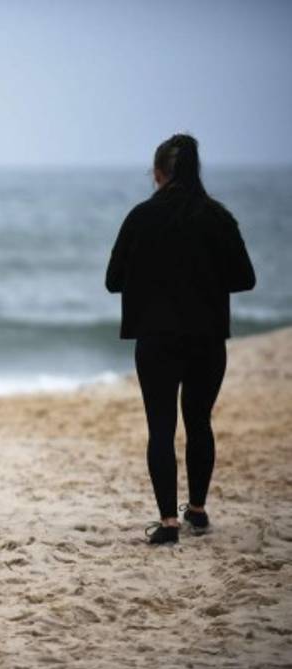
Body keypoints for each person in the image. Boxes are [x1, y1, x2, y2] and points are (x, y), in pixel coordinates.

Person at [106, 133, 255, 546]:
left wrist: (149, 277)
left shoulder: (141, 217)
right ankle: (199, 510)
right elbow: (245, 278)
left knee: (161, 427)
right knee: (199, 421)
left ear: (158, 173)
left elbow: (113, 280)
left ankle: (169, 522)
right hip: (207, 336)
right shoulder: (218, 217)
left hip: (156, 338)